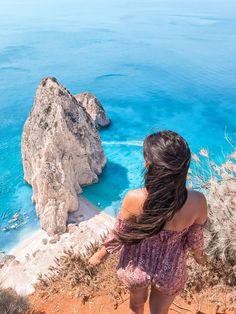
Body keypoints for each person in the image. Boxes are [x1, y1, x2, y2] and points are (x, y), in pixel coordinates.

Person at [89, 130, 208, 314]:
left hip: (136, 264)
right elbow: (195, 239)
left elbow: (120, 233)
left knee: (136, 306)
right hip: (171, 268)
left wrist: (101, 254)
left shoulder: (134, 198)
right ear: (184, 167)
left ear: (148, 164)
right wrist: (200, 257)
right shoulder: (197, 201)